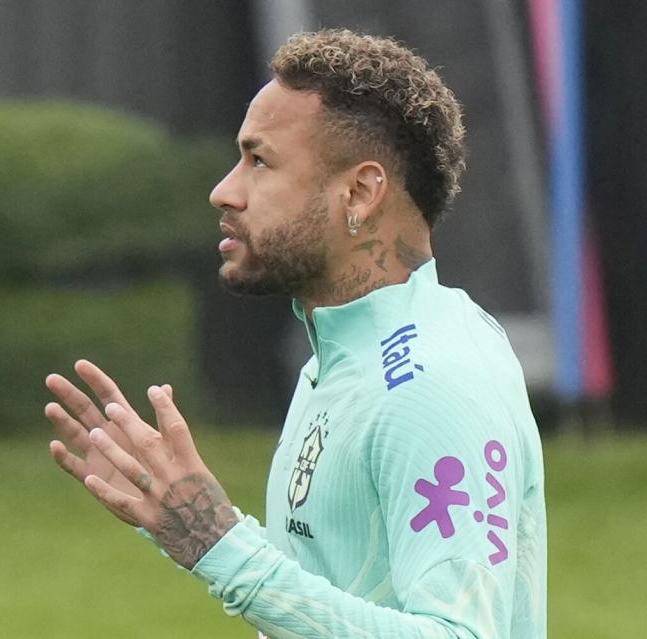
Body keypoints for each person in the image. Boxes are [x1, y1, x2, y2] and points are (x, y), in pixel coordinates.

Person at [44, 29, 547, 638]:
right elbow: (335, 581)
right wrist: (187, 515)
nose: (224, 191)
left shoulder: (435, 382)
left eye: (260, 161)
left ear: (359, 192)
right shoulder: (343, 354)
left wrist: (220, 546)